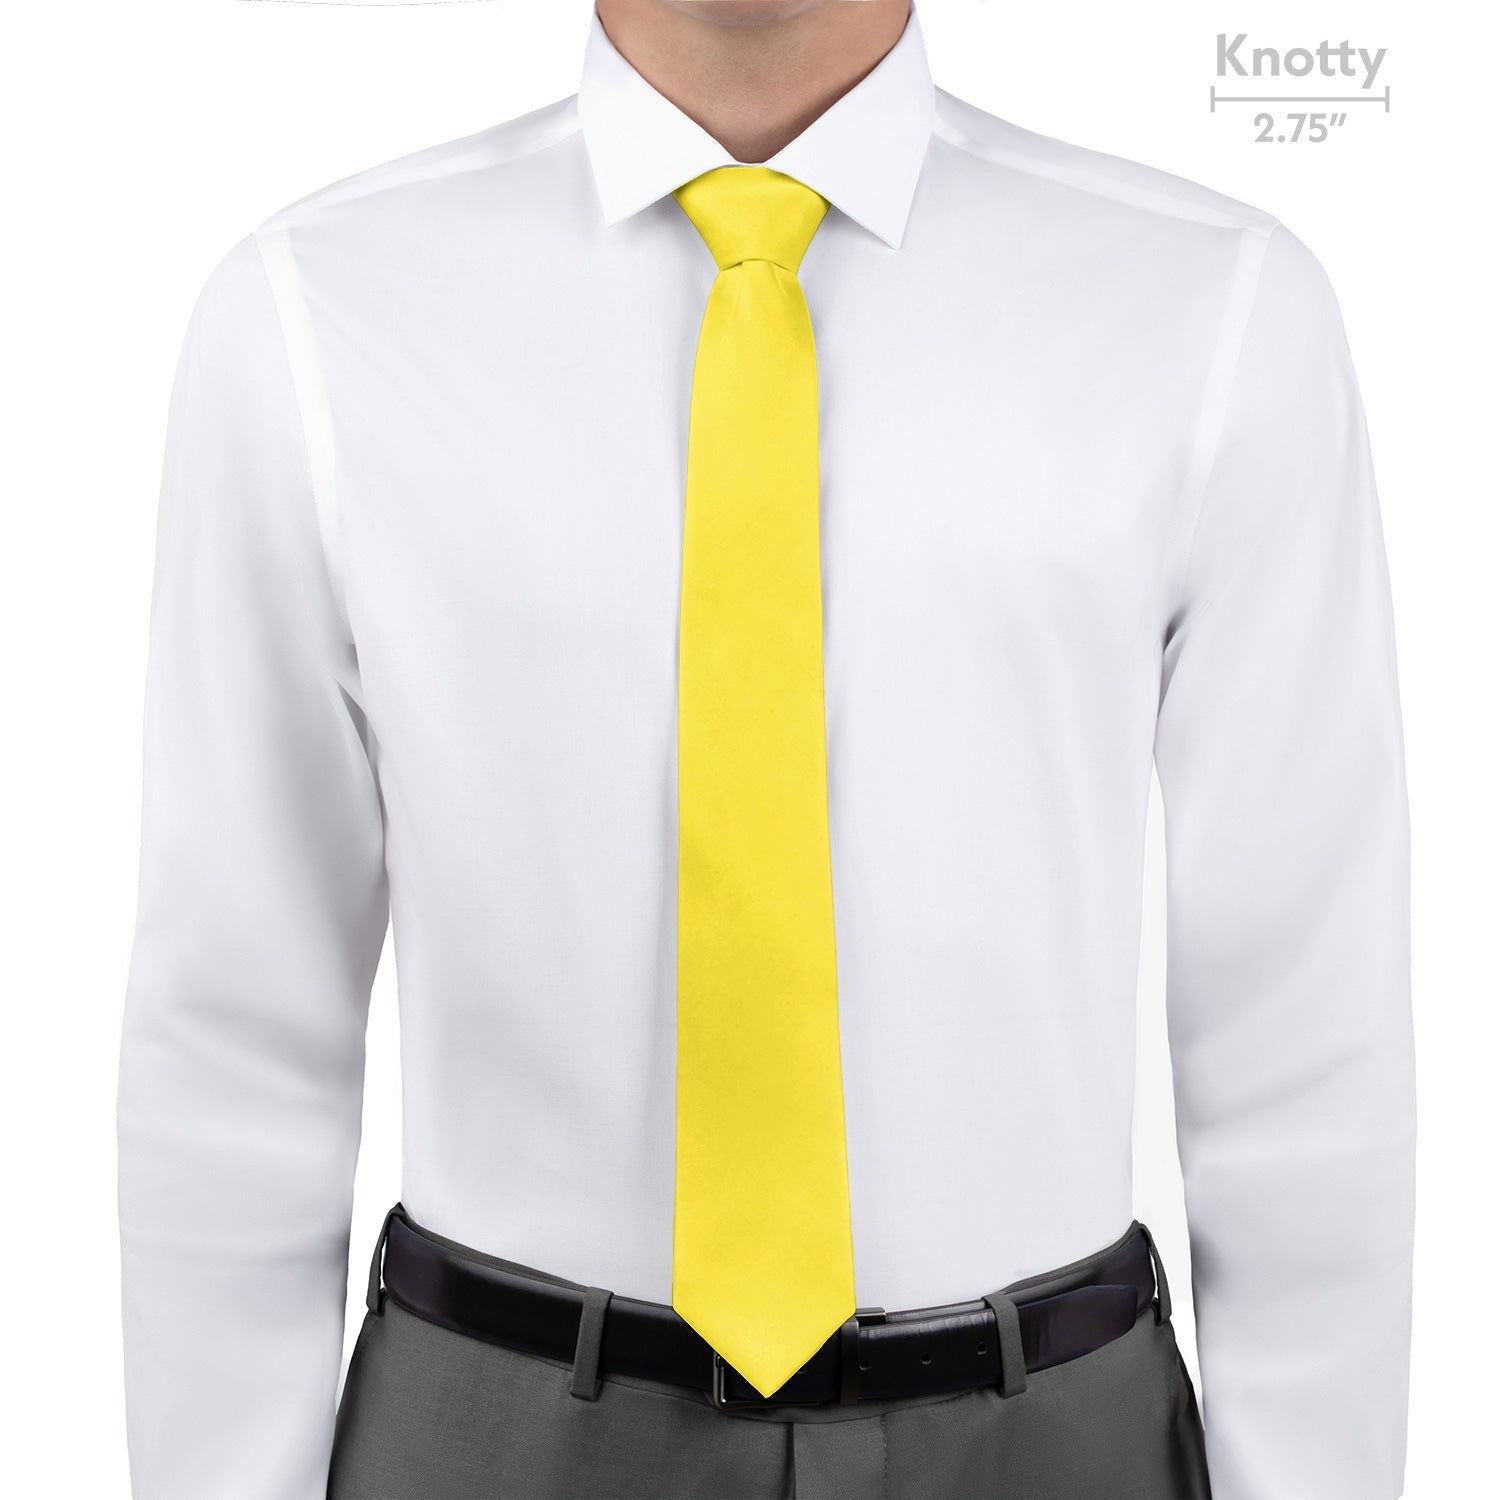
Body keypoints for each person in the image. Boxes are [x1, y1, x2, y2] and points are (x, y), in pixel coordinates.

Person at [115, 2, 1415, 1497]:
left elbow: (1302, 1033)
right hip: (494, 1435)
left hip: (1053, 1438)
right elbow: (237, 1027)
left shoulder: (1212, 310)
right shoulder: (315, 314)